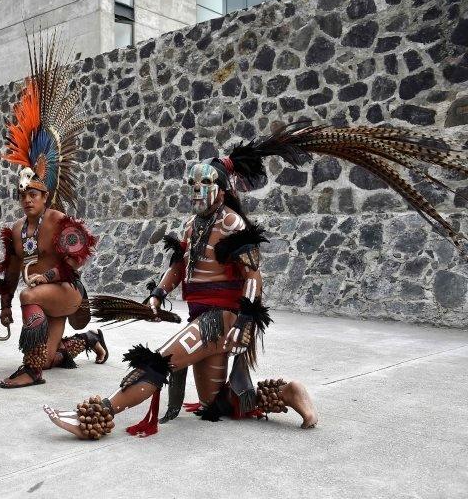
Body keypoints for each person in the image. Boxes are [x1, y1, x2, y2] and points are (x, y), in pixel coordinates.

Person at [45, 122, 468, 440]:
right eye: (192, 184)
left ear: (223, 188)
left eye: (205, 183)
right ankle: (285, 392)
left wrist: (245, 324)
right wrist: (158, 293)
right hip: (199, 314)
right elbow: (181, 264)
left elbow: (252, 277)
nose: (197, 190)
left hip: (220, 320)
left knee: (159, 361)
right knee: (220, 405)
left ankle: (98, 415)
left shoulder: (232, 223)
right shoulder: (196, 224)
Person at [0, 33, 105, 389]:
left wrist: (46, 278)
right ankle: (87, 342)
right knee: (50, 355)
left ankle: (30, 370)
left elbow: (75, 262)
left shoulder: (59, 222)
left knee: (32, 296)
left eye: (34, 194)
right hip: (41, 299)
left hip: (66, 293)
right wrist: (5, 304)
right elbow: (11, 270)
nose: (28, 199)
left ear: (46, 194)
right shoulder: (14, 229)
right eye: (23, 194)